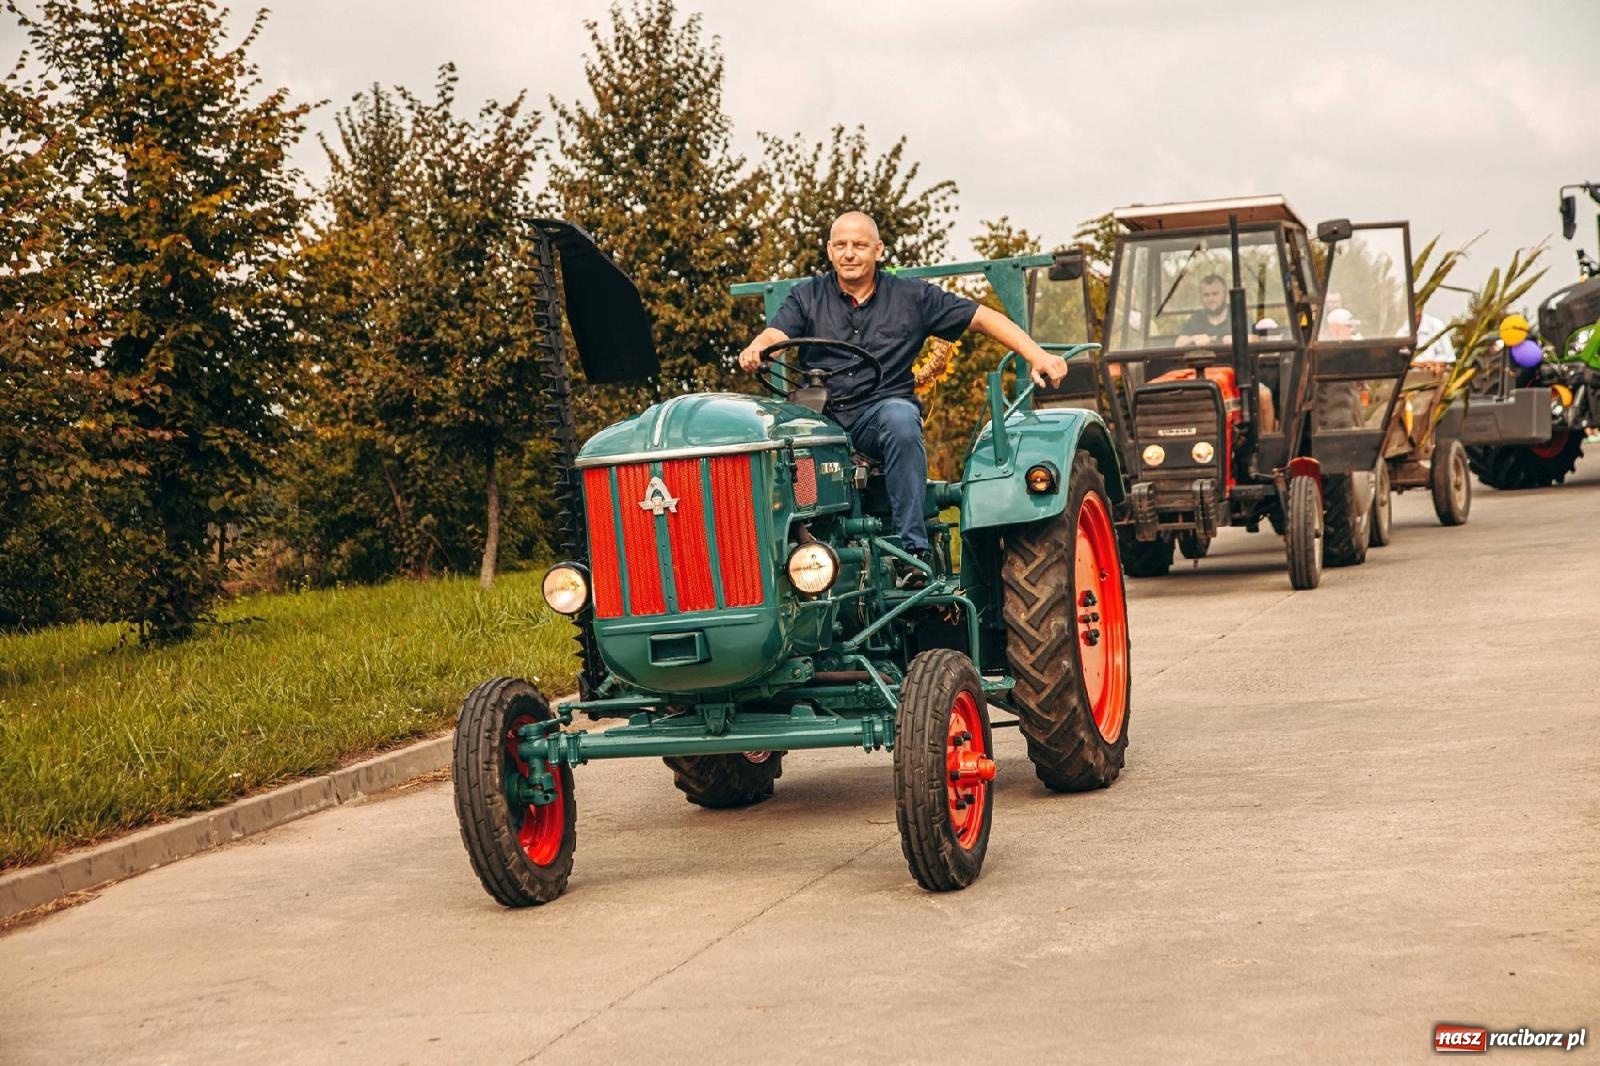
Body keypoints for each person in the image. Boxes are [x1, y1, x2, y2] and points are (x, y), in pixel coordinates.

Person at [737, 211, 1069, 572]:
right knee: (772, 439)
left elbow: (981, 317)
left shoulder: (912, 297)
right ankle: (781, 562)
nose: (850, 253)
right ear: (830, 251)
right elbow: (776, 335)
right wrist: (758, 347)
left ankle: (912, 552)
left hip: (877, 418)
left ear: (878, 250)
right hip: (822, 421)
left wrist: (1036, 355)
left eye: (860, 245)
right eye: (841, 245)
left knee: (900, 418)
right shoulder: (806, 297)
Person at [1176, 274, 1233, 346]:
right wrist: (1193, 339)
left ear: (1225, 294)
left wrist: (1237, 339)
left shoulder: (1237, 314)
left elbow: (1251, 338)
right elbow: (1178, 344)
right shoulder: (1196, 318)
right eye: (1206, 295)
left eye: (1215, 294)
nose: (1211, 299)